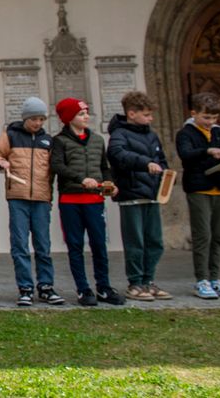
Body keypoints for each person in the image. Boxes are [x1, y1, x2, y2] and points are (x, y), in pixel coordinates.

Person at [0, 97, 64, 306]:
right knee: (20, 245)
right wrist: (0, 161)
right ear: (25, 118)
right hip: (18, 198)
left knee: (43, 245)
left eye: (41, 119)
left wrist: (49, 197)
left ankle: (46, 287)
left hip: (41, 198)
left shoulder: (48, 140)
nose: (38, 123)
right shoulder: (10, 135)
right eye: (33, 119)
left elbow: (52, 171)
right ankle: (25, 288)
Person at [51, 98, 126, 306]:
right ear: (69, 118)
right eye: (81, 114)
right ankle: (83, 289)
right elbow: (57, 165)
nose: (86, 117)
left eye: (86, 113)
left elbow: (104, 166)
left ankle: (103, 287)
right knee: (75, 245)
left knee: (99, 244)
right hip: (71, 200)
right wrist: (80, 179)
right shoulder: (60, 141)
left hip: (95, 200)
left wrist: (109, 183)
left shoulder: (97, 140)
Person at [108, 91, 172, 301]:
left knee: (155, 241)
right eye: (146, 115)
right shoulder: (119, 134)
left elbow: (160, 159)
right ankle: (135, 283)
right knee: (135, 241)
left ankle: (148, 280)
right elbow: (118, 155)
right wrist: (144, 164)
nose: (150, 119)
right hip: (131, 196)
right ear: (132, 113)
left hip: (152, 195)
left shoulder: (152, 135)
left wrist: (165, 172)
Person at [176, 92, 220, 299]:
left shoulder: (219, 131)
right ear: (194, 113)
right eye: (206, 118)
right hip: (199, 189)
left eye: (214, 118)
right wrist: (208, 152)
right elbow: (186, 154)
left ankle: (215, 277)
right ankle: (201, 279)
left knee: (219, 236)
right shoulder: (186, 133)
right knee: (203, 235)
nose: (210, 122)